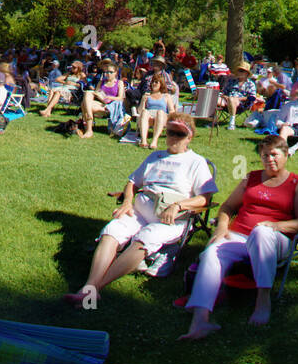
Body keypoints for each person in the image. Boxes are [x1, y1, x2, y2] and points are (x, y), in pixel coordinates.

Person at [69, 114, 218, 307]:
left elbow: (205, 198)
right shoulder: (155, 157)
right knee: (112, 231)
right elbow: (132, 182)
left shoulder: (195, 162)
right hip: (139, 211)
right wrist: (127, 202)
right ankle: (89, 286)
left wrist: (178, 205)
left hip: (171, 219)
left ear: (189, 137)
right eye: (170, 132)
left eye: (179, 134)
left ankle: (95, 289)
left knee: (145, 238)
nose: (173, 137)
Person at [181, 135, 298, 340]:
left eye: (274, 154)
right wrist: (222, 227)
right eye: (265, 155)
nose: (269, 159)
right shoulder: (250, 178)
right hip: (239, 236)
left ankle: (262, 299)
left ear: (286, 155)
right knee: (213, 251)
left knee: (261, 232)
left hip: (276, 239)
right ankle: (200, 319)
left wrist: (276, 226)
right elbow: (227, 206)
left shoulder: (296, 184)